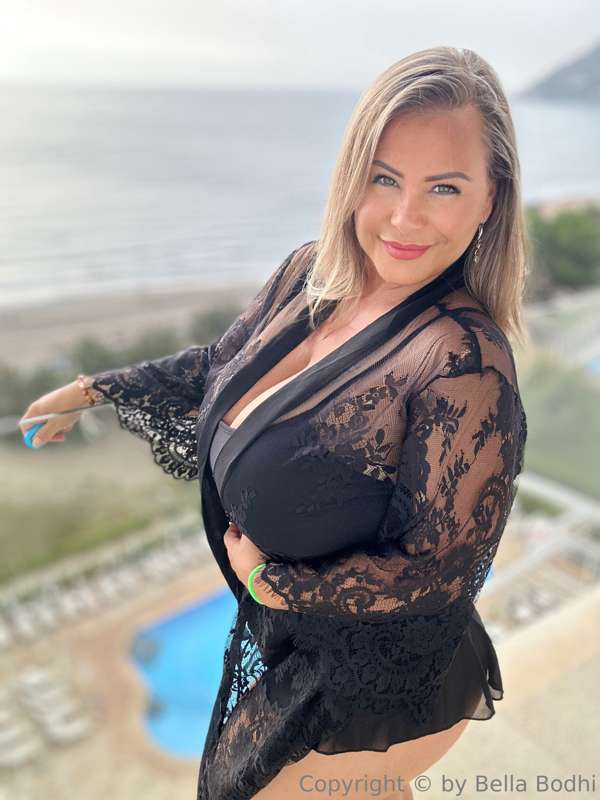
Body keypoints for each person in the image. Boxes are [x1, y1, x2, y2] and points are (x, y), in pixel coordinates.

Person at [20, 46, 529, 800]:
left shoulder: (464, 364)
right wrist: (91, 389)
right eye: (383, 177)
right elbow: (218, 367)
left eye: (444, 187)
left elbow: (439, 571)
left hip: (388, 685)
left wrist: (269, 580)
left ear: (490, 200)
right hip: (299, 651)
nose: (404, 217)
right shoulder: (309, 275)